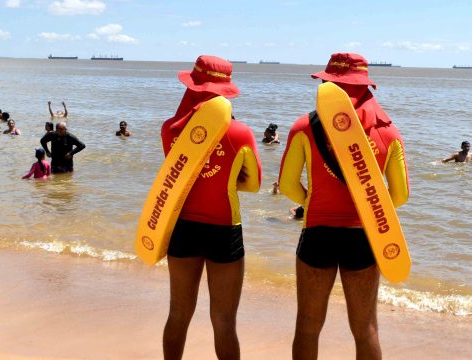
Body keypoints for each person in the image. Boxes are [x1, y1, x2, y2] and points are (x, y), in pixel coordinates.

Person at [278, 52, 409, 360]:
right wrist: (371, 208)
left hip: (317, 234)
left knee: (308, 327)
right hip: (364, 237)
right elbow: (400, 196)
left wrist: (313, 202)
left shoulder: (305, 126)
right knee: (365, 329)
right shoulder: (388, 131)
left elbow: (286, 185)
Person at [160, 55, 261, 360]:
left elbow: (177, 176)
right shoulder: (240, 133)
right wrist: (231, 178)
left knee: (178, 314)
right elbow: (254, 185)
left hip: (183, 227)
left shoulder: (170, 129)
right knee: (224, 322)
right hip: (224, 229)